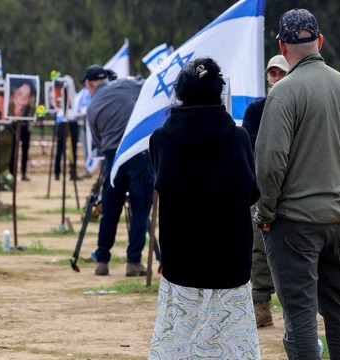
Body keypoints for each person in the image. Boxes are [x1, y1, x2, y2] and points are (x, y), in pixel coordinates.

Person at [254, 9, 340, 359]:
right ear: (319, 41)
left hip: (295, 222)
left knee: (300, 316)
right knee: (338, 308)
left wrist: (265, 210)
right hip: (339, 217)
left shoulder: (283, 92)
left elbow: (270, 162)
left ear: (283, 48)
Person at [148, 57, 260, 359]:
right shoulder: (238, 138)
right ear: (218, 92)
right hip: (230, 261)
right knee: (229, 346)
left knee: (180, 343)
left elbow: (162, 184)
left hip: (180, 260)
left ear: (180, 93)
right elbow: (252, 192)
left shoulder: (161, 139)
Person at [85, 65, 153, 277]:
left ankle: (102, 261)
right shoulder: (125, 84)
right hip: (137, 154)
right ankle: (133, 262)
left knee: (109, 211)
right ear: (107, 78)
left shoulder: (92, 107)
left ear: (88, 85)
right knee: (140, 210)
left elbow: (98, 141)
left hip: (112, 158)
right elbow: (149, 85)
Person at [241, 54, 289, 328]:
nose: (276, 78)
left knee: (296, 250)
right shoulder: (256, 109)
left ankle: (297, 309)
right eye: (272, 74)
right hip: (262, 187)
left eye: (281, 73)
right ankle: (261, 305)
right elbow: (249, 143)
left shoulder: (300, 105)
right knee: (259, 250)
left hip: (294, 190)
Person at [7, 79, 35, 181]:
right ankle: (11, 173)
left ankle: (23, 173)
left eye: (26, 96)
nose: (23, 99)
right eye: (20, 94)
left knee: (25, 151)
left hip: (24, 127)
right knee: (13, 151)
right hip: (13, 126)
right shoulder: (8, 109)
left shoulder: (28, 110)